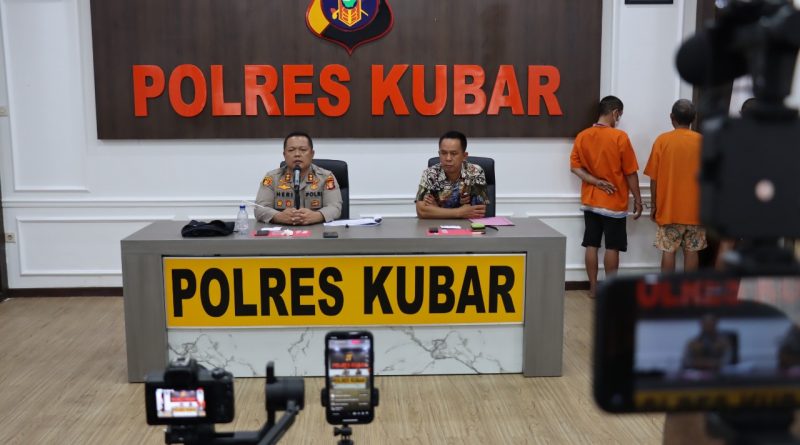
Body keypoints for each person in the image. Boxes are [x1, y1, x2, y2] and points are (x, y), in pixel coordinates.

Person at [569, 96, 643, 297]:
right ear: (615, 112)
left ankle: (593, 288)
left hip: (590, 201)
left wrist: (595, 181)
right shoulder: (620, 137)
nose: (619, 119)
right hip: (614, 202)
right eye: (620, 115)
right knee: (613, 246)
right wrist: (638, 199)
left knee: (591, 244)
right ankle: (610, 292)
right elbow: (630, 173)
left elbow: (575, 167)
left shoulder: (582, 136)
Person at [644, 99, 706, 272]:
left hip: (668, 209)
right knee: (692, 251)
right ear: (694, 118)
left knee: (668, 250)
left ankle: (667, 288)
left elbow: (654, 178)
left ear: (672, 117)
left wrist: (654, 206)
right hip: (696, 210)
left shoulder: (662, 141)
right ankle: (689, 288)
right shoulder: (703, 142)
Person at [255, 131, 342, 225]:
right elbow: (259, 208)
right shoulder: (272, 178)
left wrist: (317, 216)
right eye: (291, 150)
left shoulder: (326, 177)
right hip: (283, 231)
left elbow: (335, 207)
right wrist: (278, 216)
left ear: (312, 154)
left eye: (303, 150)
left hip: (317, 231)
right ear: (284, 155)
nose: (297, 154)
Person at [415, 130, 489, 219]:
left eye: (454, 153)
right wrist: (459, 212)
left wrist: (437, 209)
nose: (448, 158)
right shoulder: (430, 173)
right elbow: (421, 211)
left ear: (464, 156)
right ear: (439, 154)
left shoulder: (475, 172)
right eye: (443, 153)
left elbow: (479, 212)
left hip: (467, 226)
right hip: (437, 225)